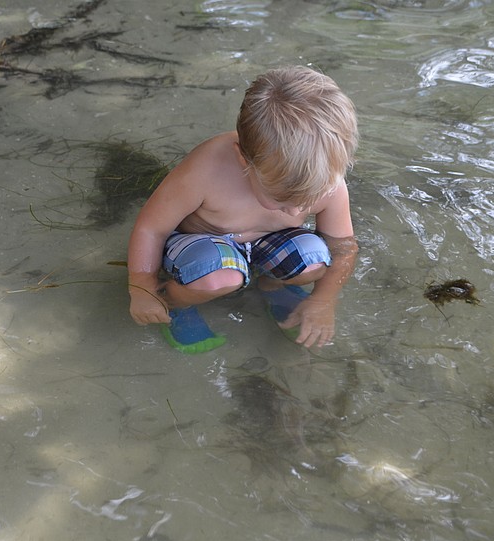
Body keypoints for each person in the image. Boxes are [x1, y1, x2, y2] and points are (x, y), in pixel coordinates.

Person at [127, 65, 359, 352]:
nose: (296, 210)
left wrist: (323, 300)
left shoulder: (329, 181)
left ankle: (274, 286)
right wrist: (142, 287)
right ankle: (174, 301)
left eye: (310, 197)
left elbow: (342, 247)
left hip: (265, 243)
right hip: (201, 246)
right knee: (219, 278)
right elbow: (152, 228)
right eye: (283, 198)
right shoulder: (206, 170)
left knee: (315, 259)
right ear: (243, 159)